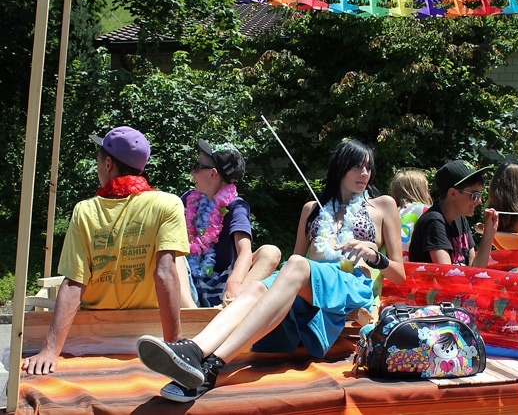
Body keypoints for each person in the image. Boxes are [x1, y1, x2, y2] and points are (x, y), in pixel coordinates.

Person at [135, 139, 406, 402]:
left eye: (368, 167)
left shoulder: (382, 205)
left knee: (295, 265)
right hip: (310, 284)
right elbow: (297, 260)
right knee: (257, 287)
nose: (365, 173)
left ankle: (213, 365)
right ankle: (194, 350)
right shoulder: (312, 209)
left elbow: (399, 274)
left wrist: (374, 256)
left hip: (349, 284)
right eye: (357, 166)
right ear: (340, 167)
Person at [22, 126, 190, 375]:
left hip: (92, 336)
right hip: (150, 336)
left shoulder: (85, 210)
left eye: (99, 160)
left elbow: (74, 283)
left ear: (108, 163)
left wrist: (50, 351)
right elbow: (165, 273)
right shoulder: (168, 204)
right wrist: (174, 348)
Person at [179, 138, 281, 308]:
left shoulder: (235, 206)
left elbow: (245, 251)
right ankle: (191, 312)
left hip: (222, 285)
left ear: (213, 174)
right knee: (174, 257)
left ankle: (232, 304)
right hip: (189, 283)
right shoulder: (188, 200)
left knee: (270, 252)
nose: (192, 173)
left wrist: (234, 283)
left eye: (197, 167)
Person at [408, 160, 518, 277]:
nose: (479, 201)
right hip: (444, 295)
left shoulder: (460, 219)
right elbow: (448, 276)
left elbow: (476, 268)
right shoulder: (434, 222)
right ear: (453, 194)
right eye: (474, 195)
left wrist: (489, 233)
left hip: (466, 287)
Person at [389, 168, 433, 261]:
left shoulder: (390, 212)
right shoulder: (426, 211)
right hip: (415, 266)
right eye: (426, 188)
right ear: (420, 191)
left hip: (394, 265)